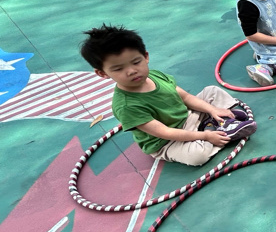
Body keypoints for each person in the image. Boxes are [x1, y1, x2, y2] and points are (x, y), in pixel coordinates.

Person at [80, 24, 256, 166]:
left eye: (136, 62)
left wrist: (212, 109)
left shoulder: (155, 75)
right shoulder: (126, 106)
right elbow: (165, 132)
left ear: (146, 56)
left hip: (187, 117)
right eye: (118, 69)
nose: (132, 71)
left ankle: (214, 121)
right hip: (167, 141)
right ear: (102, 73)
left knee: (212, 91)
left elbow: (185, 97)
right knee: (197, 156)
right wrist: (205, 136)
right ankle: (215, 129)